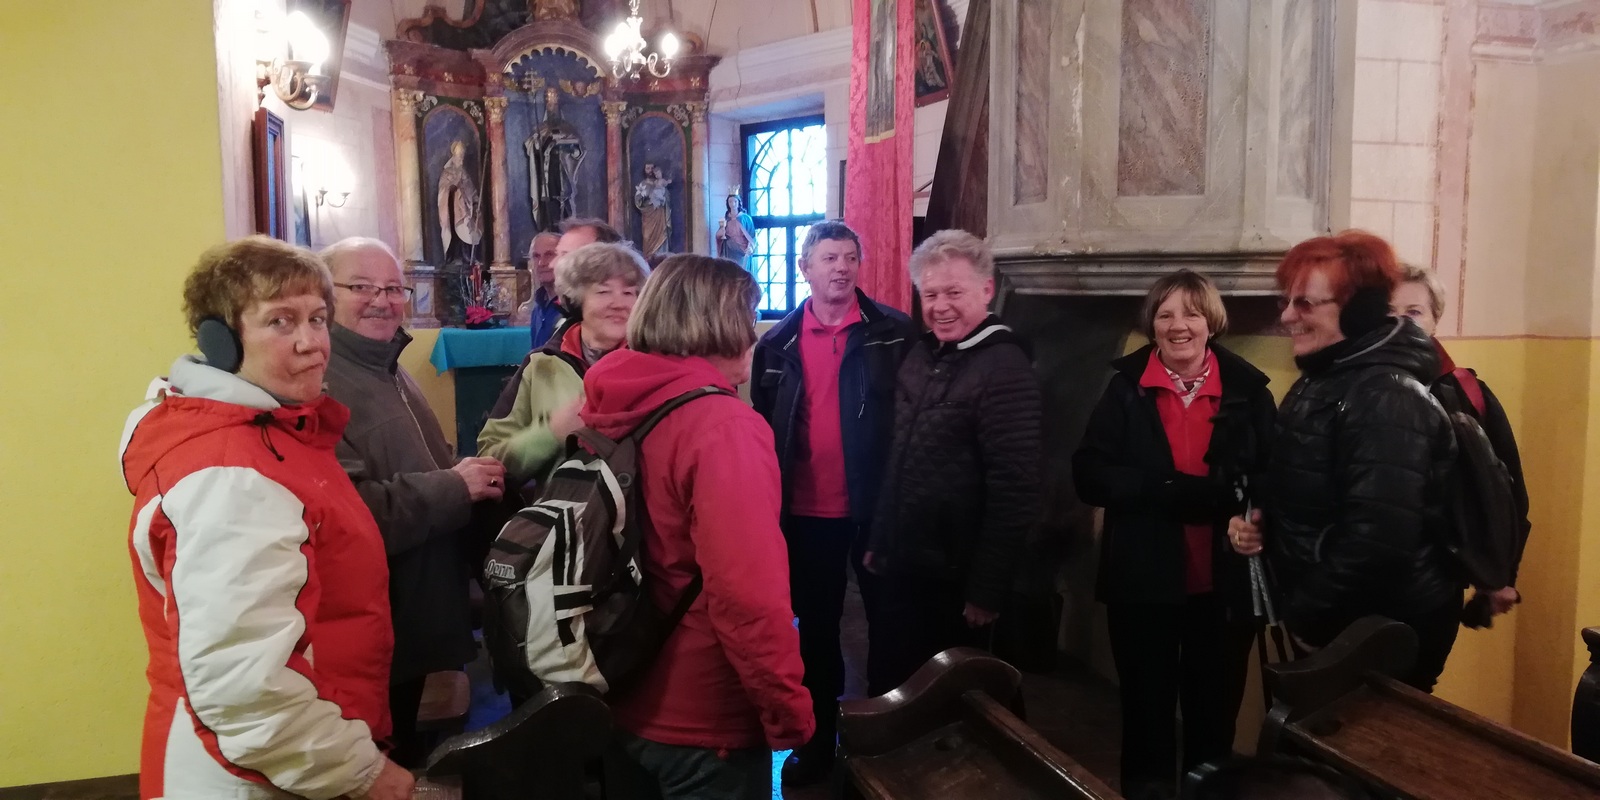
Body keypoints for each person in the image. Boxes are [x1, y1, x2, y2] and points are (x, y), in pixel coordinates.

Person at [120, 236, 412, 800]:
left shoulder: (274, 432)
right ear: (221, 340)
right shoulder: (230, 473)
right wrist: (364, 773)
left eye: (318, 319)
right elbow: (244, 687)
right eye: (281, 321)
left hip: (294, 757)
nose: (311, 342)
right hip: (251, 773)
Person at [587, 254, 812, 799]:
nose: (755, 335)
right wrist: (786, 709)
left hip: (621, 680)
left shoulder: (615, 399)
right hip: (704, 714)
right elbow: (746, 595)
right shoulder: (723, 426)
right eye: (748, 317)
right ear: (719, 325)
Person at [1229, 230, 1461, 692]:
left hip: (1372, 631)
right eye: (1286, 301)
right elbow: (1309, 484)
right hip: (1339, 623)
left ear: (1359, 312)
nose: (1287, 316)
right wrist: (1261, 522)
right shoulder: (1326, 378)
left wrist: (1308, 617)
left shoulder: (1386, 397)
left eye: (1305, 304)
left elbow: (1378, 541)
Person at [1074, 270, 1275, 800]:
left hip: (1222, 589)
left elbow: (1274, 475)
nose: (1178, 325)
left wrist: (1256, 517)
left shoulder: (1248, 390)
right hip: (1142, 583)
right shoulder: (1126, 388)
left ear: (1211, 322)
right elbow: (1089, 474)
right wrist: (1168, 490)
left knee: (1214, 719)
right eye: (1165, 314)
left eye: (1191, 313)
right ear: (1152, 324)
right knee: (1146, 716)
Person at [319, 237, 507, 767]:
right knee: (379, 755)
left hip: (414, 608)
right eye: (361, 287)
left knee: (404, 746)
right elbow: (348, 515)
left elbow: (423, 459)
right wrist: (456, 486)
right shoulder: (321, 380)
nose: (382, 301)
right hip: (376, 619)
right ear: (324, 295)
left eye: (393, 289)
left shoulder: (386, 364)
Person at [749, 220, 914, 786]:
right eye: (829, 258)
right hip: (806, 513)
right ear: (805, 268)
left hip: (876, 510)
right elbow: (766, 427)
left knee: (889, 627)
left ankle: (886, 743)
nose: (841, 268)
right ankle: (817, 743)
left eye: (849, 257)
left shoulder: (894, 332)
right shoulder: (776, 343)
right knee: (815, 632)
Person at [865, 229, 1043, 694]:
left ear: (986, 290)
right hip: (907, 562)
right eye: (930, 295)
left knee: (953, 701)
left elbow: (1015, 487)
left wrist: (986, 588)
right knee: (892, 686)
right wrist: (881, 538)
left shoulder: (1004, 368)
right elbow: (899, 456)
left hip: (958, 577)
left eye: (954, 293)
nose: (940, 306)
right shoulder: (922, 354)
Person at [1392, 263, 1530, 622]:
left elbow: (1507, 489)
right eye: (1388, 312)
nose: (1400, 323)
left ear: (1435, 320)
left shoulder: (1466, 393)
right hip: (1367, 580)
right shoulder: (1353, 389)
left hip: (1438, 582)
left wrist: (1501, 573)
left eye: (1414, 312)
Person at [479, 242, 649, 487]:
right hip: (561, 507)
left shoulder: (653, 362)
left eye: (629, 293)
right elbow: (488, 461)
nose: (619, 303)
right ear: (577, 299)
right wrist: (550, 433)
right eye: (603, 292)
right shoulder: (542, 364)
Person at [513, 231, 563, 350]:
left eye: (549, 255)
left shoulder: (572, 307)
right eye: (536, 256)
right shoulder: (538, 308)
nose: (541, 263)